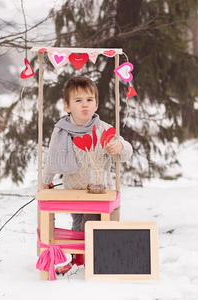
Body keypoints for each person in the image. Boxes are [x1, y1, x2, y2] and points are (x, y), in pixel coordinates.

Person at [42, 76, 133, 274]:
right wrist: (45, 181)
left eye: (89, 100)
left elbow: (127, 152)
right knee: (77, 224)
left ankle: (93, 257)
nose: (85, 105)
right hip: (74, 190)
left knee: (90, 223)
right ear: (67, 106)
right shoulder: (61, 132)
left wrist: (119, 146)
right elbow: (52, 158)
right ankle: (78, 257)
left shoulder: (103, 129)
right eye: (78, 100)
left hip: (98, 190)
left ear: (96, 104)